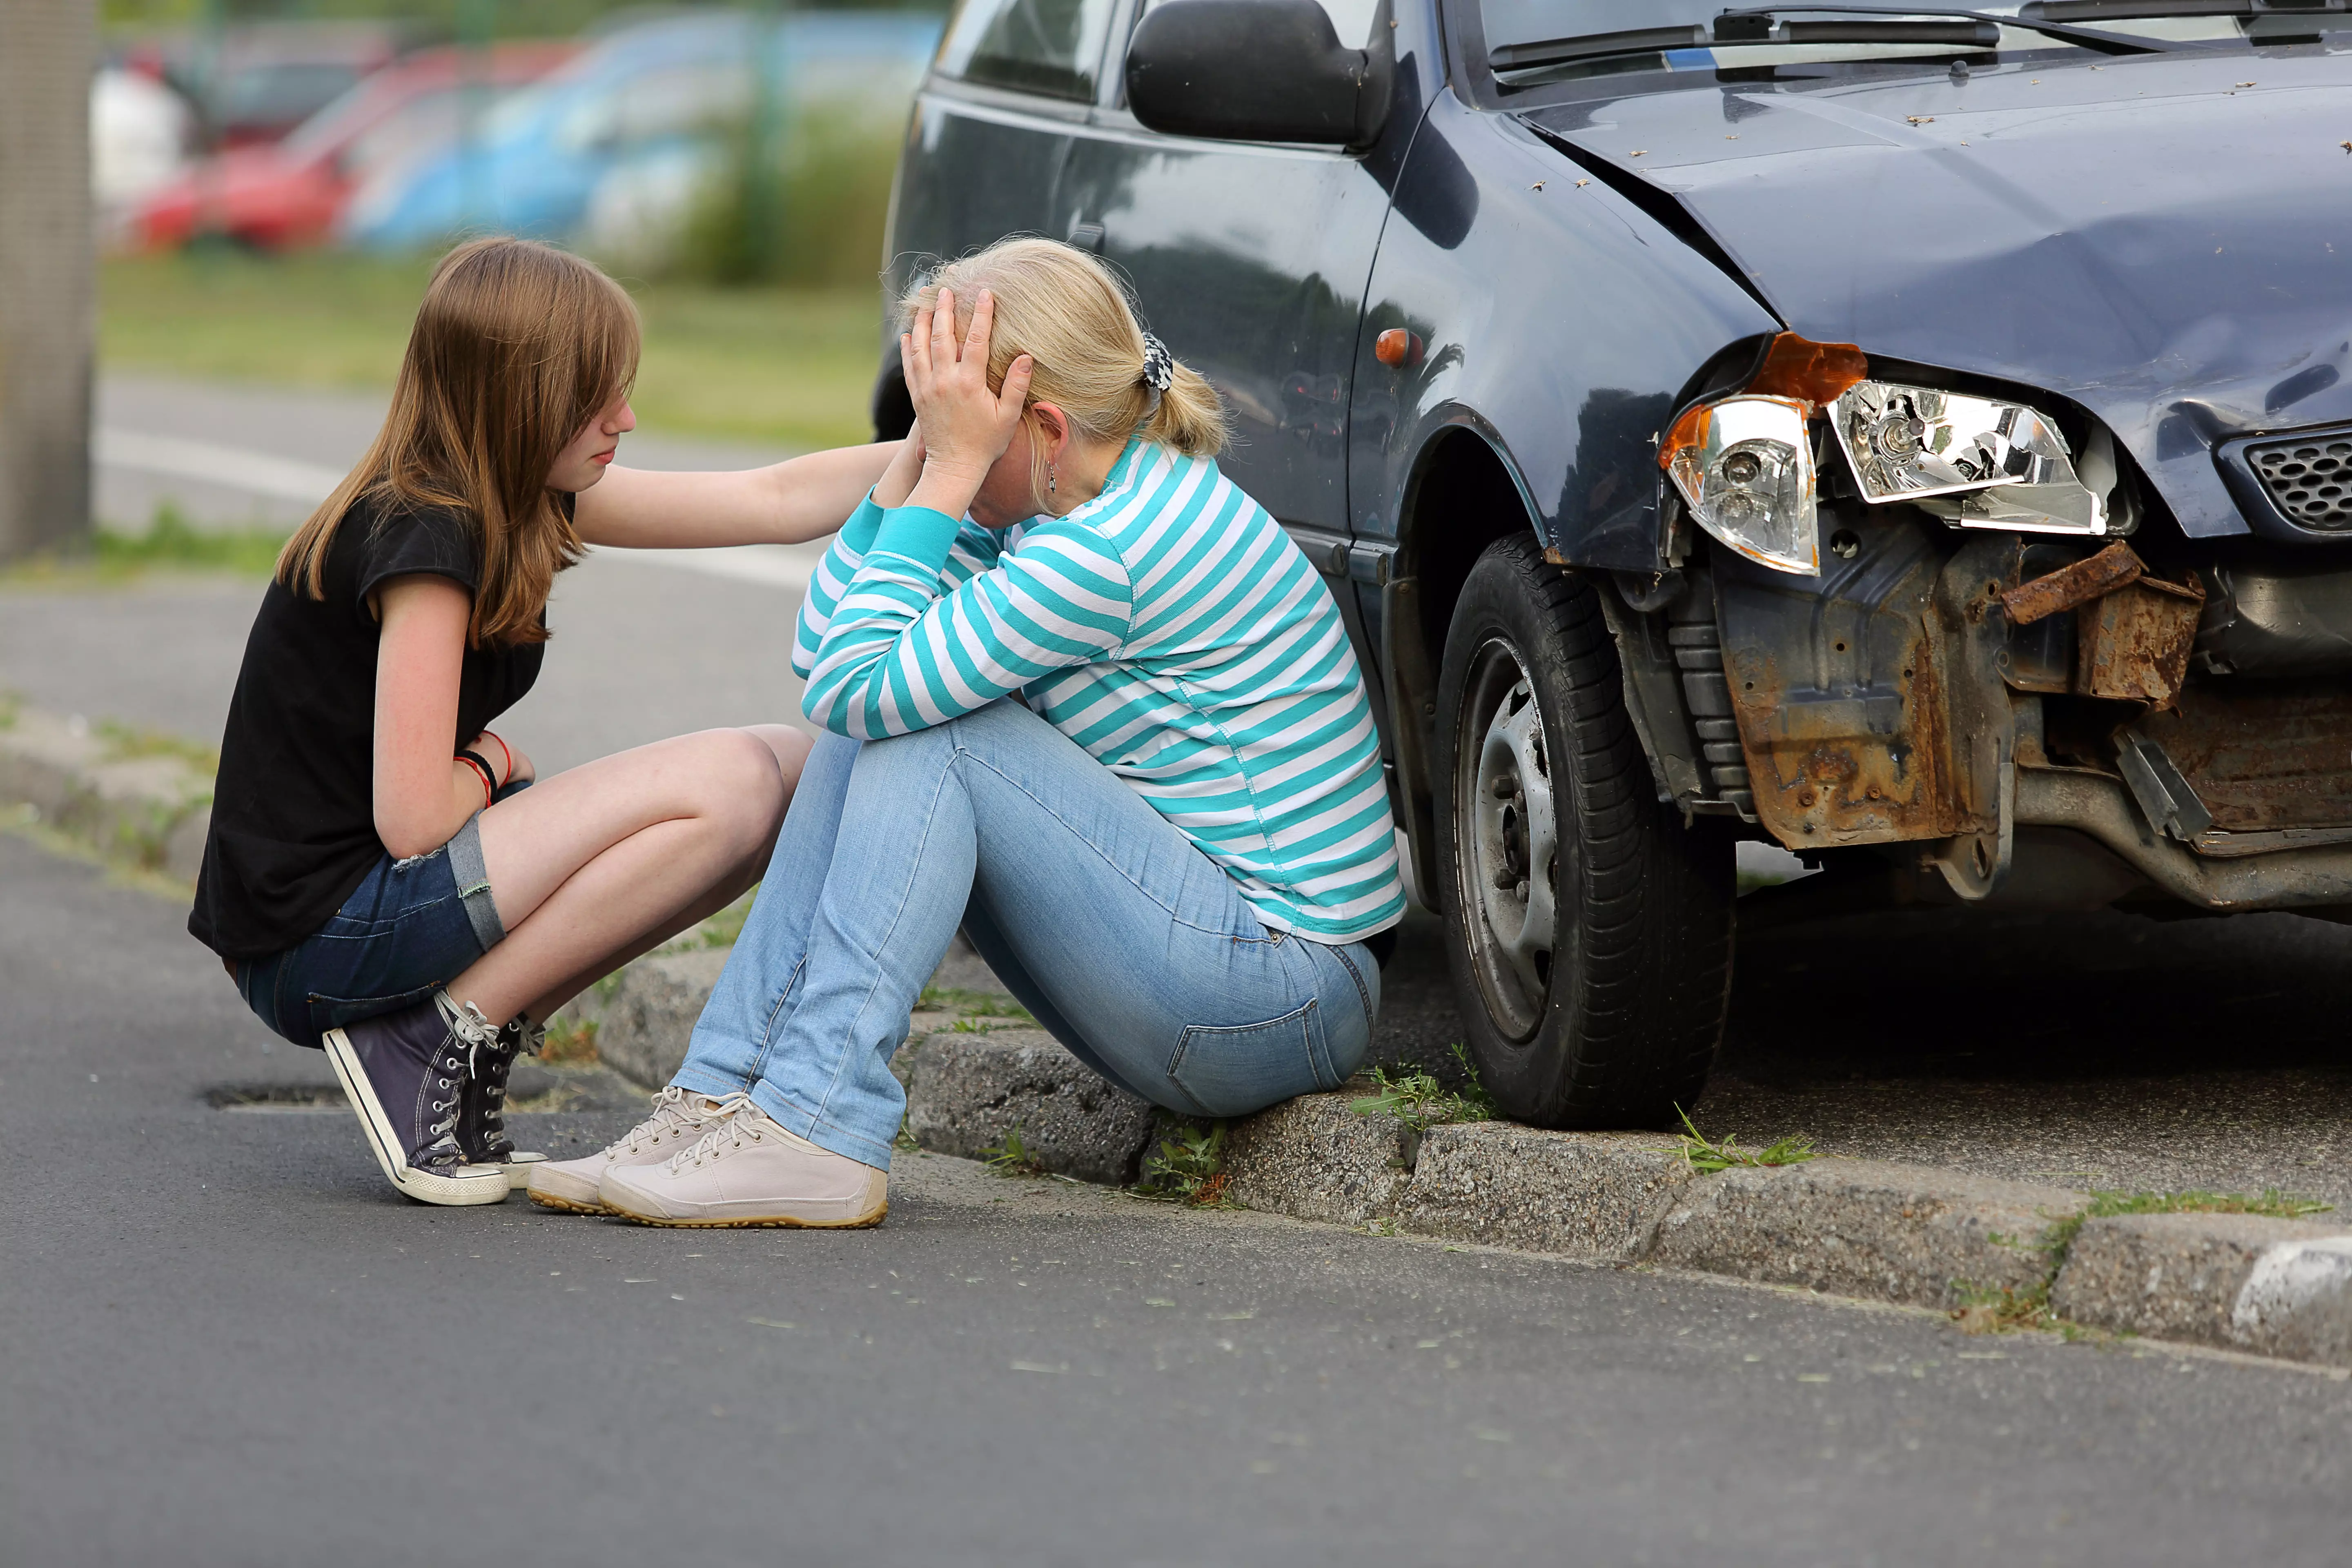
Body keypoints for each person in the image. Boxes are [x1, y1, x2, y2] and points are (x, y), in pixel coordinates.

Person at [526, 237, 1406, 1228]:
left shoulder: (1105, 551)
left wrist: (945, 475)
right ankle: (727, 1094)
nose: (941, 443)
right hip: (1216, 967)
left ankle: (818, 1123)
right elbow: (831, 668)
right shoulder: (1061, 495)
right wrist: (926, 463)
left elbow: (856, 681)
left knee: (930, 730)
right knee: (877, 726)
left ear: (1040, 425)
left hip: (1281, 996)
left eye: (955, 423)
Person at [191, 237, 899, 1206]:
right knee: (738, 778)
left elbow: (768, 498)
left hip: (360, 914)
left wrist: (950, 451)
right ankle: (429, 1039)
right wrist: (490, 765)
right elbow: (413, 819)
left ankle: (461, 1033)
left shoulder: (506, 493)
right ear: (521, 402)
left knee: (782, 773)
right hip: (316, 941)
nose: (627, 418)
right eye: (598, 398)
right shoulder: (425, 539)